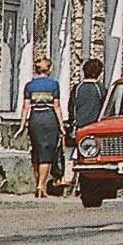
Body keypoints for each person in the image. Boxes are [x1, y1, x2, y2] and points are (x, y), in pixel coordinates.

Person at [15, 57, 65, 198]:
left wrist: (22, 125)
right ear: (49, 69)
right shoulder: (54, 85)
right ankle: (41, 185)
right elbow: (57, 106)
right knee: (47, 152)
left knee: (37, 152)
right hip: (49, 118)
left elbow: (26, 107)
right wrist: (61, 125)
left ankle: (38, 182)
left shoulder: (29, 86)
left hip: (35, 119)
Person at [67, 58, 106, 195]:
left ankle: (71, 182)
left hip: (78, 126)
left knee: (76, 155)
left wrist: (72, 123)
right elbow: (105, 108)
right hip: (95, 127)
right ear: (99, 73)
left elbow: (71, 107)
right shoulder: (99, 89)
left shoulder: (77, 88)